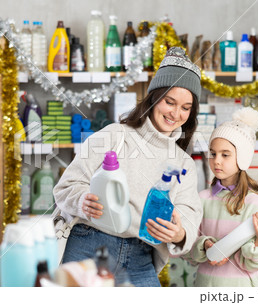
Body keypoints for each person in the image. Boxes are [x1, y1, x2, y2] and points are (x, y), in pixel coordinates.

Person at [53, 47, 203, 287]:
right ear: (154, 97)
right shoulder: (115, 135)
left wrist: (180, 233)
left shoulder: (183, 162)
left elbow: (189, 215)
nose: (176, 113)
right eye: (170, 102)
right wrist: (82, 200)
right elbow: (66, 186)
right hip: (89, 243)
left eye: (186, 108)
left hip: (139, 255)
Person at [186, 107, 258, 287]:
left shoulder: (256, 205)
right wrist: (204, 245)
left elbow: (254, 265)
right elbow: (187, 252)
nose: (216, 160)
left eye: (225, 155)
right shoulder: (202, 199)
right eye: (213, 154)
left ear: (242, 157)